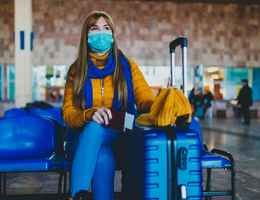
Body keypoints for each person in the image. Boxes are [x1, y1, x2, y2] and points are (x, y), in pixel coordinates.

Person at [62, 11, 156, 200]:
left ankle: (76, 196)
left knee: (97, 131)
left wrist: (162, 103)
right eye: (95, 28)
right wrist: (90, 114)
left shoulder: (128, 67)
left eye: (106, 28)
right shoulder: (76, 70)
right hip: (84, 138)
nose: (101, 33)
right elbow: (68, 113)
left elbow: (145, 100)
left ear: (112, 35)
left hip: (121, 134)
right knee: (103, 155)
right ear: (86, 35)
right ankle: (79, 195)